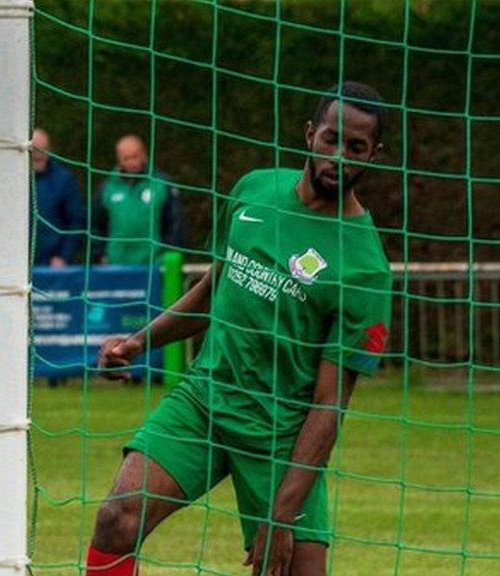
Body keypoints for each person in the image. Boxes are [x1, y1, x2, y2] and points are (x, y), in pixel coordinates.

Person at [84, 81, 392, 576]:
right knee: (116, 518)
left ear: (375, 154)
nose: (339, 156)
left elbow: (330, 402)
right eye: (331, 139)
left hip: (281, 435)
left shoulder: (365, 268)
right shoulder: (254, 189)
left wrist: (282, 512)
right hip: (206, 400)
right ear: (310, 134)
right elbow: (213, 291)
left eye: (356, 148)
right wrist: (142, 341)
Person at [93, 134, 183, 264]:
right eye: (126, 158)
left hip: (154, 263)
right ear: (118, 159)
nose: (131, 162)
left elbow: (175, 223)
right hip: (116, 264)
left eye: (135, 156)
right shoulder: (108, 187)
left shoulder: (161, 184)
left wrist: (169, 254)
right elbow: (96, 224)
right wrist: (100, 253)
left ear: (144, 154)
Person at [32, 127, 85, 267]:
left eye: (43, 150)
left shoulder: (64, 179)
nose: (39, 155)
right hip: (20, 263)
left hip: (53, 264)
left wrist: (63, 256)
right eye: (35, 150)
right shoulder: (13, 179)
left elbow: (76, 221)